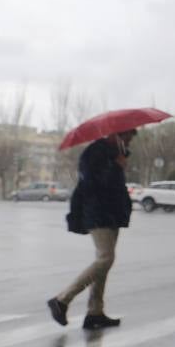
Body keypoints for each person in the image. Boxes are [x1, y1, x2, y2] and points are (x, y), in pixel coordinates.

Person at [48, 129, 136, 330]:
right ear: (116, 135)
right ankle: (62, 300)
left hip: (111, 214)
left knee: (104, 263)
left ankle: (95, 312)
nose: (130, 141)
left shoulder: (114, 153)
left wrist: (119, 164)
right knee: (106, 258)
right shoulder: (95, 152)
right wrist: (116, 166)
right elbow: (93, 182)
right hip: (98, 213)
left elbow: (114, 186)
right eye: (128, 137)